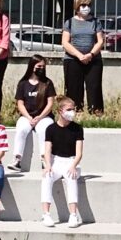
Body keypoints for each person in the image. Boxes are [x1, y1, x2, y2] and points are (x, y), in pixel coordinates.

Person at [34, 97, 86, 228]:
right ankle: (46, 214)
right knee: (47, 177)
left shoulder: (78, 128)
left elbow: (79, 153)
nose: (72, 112)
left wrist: (73, 166)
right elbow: (47, 150)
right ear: (60, 111)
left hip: (71, 161)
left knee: (71, 177)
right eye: (68, 109)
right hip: (56, 160)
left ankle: (73, 215)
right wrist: (48, 165)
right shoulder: (51, 129)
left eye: (73, 109)